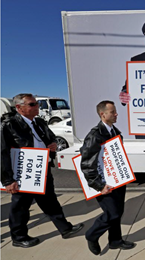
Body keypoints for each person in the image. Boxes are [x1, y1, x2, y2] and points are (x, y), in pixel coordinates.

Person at [1, 93, 84, 248]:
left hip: (41, 169)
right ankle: (19, 237)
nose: (36, 107)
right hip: (23, 173)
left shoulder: (39, 122)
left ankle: (65, 228)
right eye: (32, 104)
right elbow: (2, 153)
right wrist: (7, 180)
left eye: (36, 104)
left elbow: (50, 138)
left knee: (51, 202)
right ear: (19, 107)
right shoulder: (9, 125)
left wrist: (52, 145)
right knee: (20, 207)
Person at [80, 100, 136, 255]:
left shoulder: (115, 131)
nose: (116, 114)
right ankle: (92, 235)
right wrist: (98, 185)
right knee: (112, 213)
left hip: (116, 182)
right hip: (104, 183)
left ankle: (115, 241)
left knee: (118, 211)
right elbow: (87, 163)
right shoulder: (95, 135)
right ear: (102, 114)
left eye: (115, 111)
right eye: (112, 112)